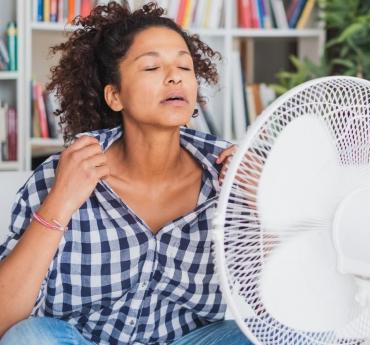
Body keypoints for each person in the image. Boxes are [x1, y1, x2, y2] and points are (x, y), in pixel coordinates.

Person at [0, 2, 249, 344]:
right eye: (151, 67)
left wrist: (264, 204)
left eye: (184, 66)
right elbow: (3, 320)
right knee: (31, 336)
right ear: (115, 96)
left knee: (257, 336)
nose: (174, 76)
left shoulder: (229, 174)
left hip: (188, 339)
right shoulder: (66, 172)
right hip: (78, 340)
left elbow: (278, 298)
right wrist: (60, 203)